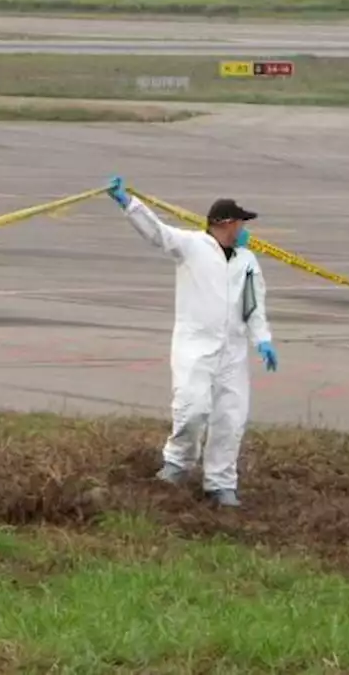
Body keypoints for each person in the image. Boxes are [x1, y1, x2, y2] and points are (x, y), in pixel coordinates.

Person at [105, 176, 277, 508]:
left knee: (230, 417)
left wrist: (263, 340)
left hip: (233, 353)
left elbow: (255, 306)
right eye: (240, 222)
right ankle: (178, 463)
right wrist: (129, 204)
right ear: (226, 223)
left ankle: (221, 483)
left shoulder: (248, 262)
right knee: (193, 409)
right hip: (195, 347)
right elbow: (158, 233)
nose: (244, 228)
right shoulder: (192, 246)